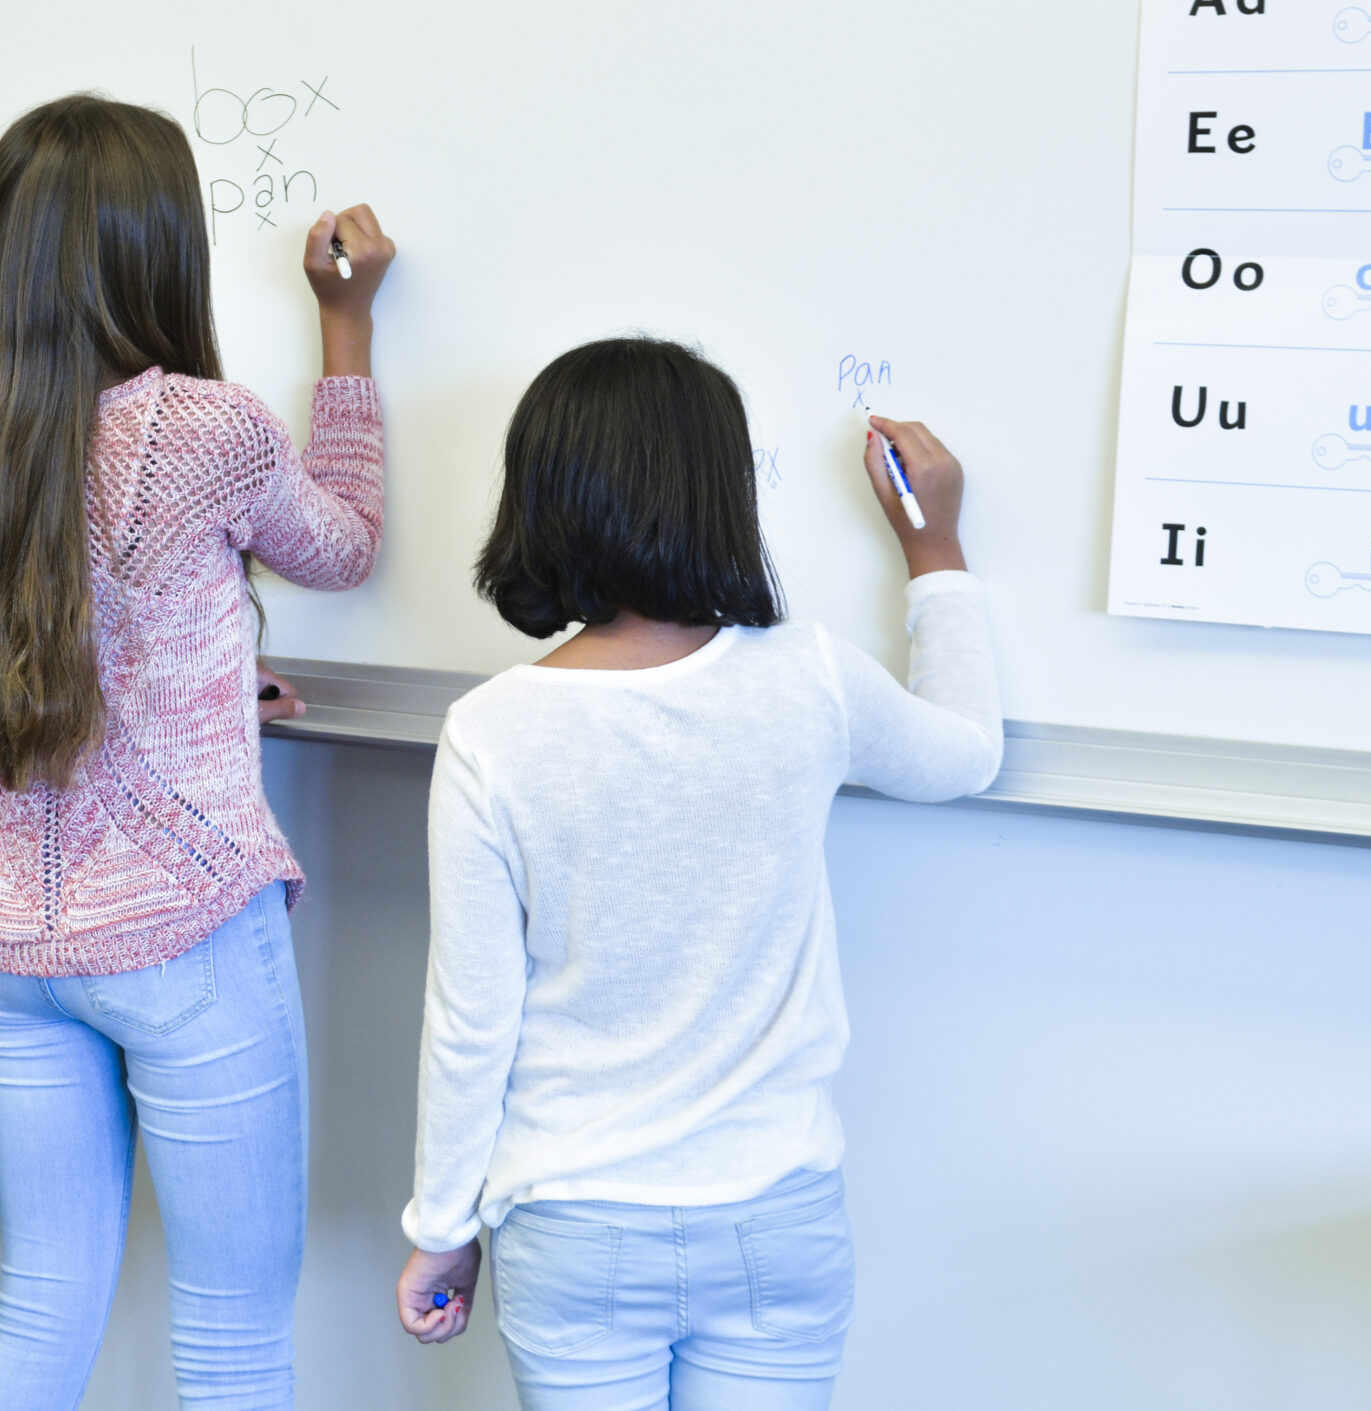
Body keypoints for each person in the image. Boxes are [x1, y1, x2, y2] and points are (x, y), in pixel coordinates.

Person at [0, 94, 394, 1410]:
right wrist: (344, 326)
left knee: (41, 1313)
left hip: (13, 946)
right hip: (186, 936)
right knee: (232, 1345)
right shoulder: (203, 430)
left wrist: (202, 687)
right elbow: (343, 545)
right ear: (159, 248)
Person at [392, 339, 1004, 1410]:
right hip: (777, 1214)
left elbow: (471, 1020)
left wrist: (442, 1229)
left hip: (574, 1223)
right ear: (722, 492)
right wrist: (935, 549)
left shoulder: (491, 731)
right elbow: (966, 753)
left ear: (541, 495)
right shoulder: (808, 679)